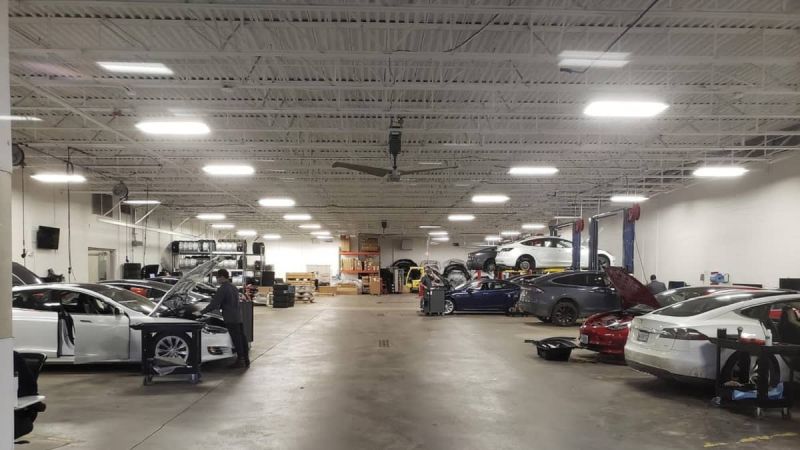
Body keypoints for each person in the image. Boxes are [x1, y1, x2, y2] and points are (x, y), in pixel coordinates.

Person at [200, 269, 250, 368]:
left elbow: (214, 304)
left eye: (217, 277)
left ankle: (240, 361)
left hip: (230, 317)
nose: (217, 279)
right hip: (238, 316)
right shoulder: (233, 287)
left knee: (236, 339)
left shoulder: (223, 288)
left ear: (222, 277)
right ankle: (246, 359)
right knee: (242, 338)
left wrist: (201, 312)